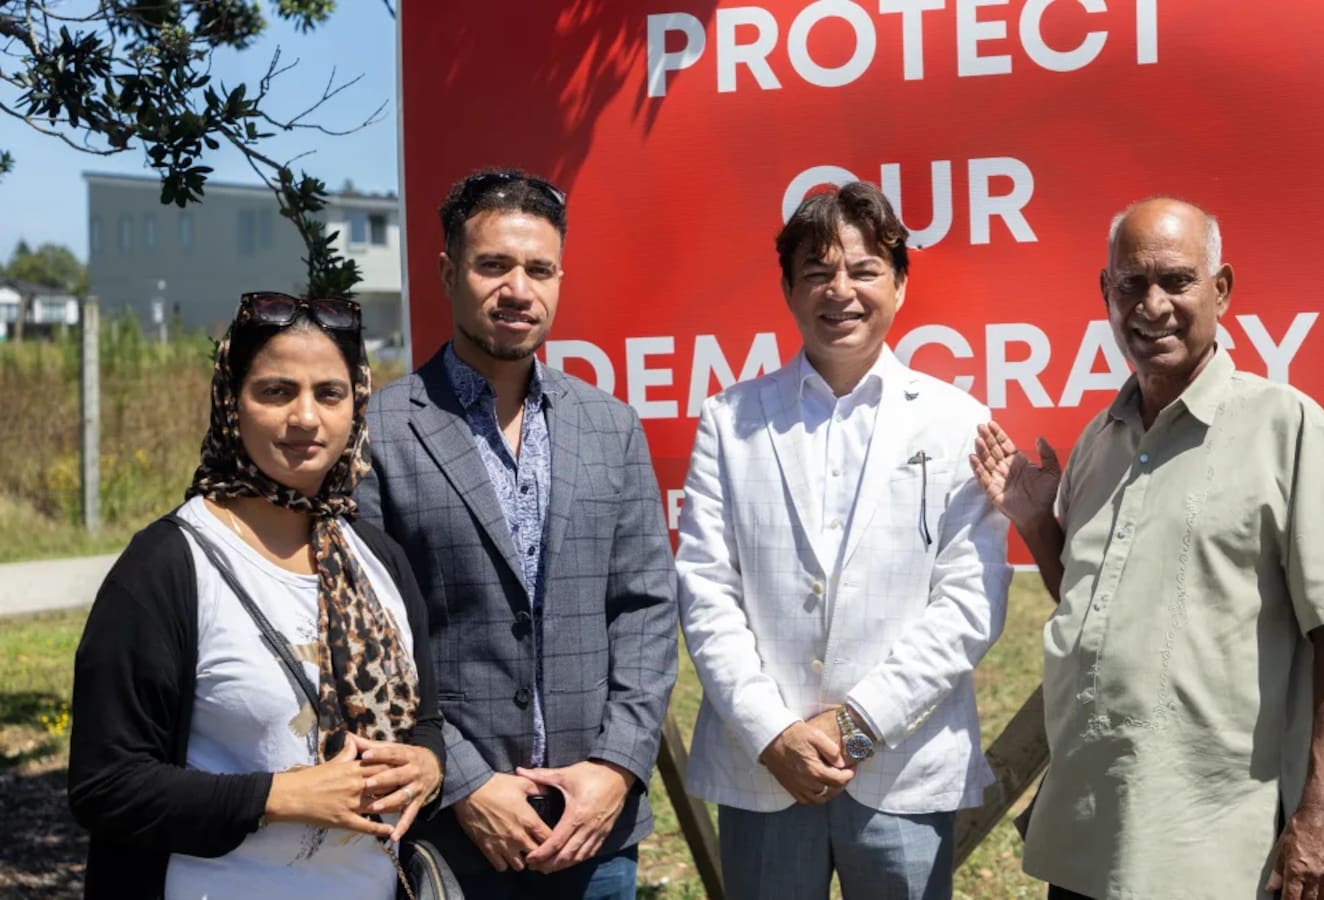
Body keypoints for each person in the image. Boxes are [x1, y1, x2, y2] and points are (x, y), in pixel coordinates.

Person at [970, 197, 1324, 900]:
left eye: (1177, 281)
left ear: (1221, 290)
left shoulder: (1287, 426)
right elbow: (1096, 604)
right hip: (1090, 833)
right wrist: (1040, 528)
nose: (1151, 304)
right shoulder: (1100, 438)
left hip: (1211, 846)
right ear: (1106, 293)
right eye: (1131, 284)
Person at [675, 180, 1012, 899]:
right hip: (764, 770)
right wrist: (774, 733)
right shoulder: (731, 420)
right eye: (818, 273)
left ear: (900, 282)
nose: (841, 292)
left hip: (901, 765)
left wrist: (857, 726)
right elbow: (705, 590)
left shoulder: (956, 422)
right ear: (790, 290)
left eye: (863, 271)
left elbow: (970, 602)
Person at [357, 169, 678, 899]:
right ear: (448, 272)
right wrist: (464, 782)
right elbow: (374, 637)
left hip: (593, 831)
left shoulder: (610, 426)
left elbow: (646, 609)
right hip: (453, 835)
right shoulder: (378, 431)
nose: (517, 289)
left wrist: (616, 769)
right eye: (492, 265)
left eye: (539, 269)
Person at [69, 292, 445, 899]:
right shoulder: (167, 566)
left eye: (330, 393)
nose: (306, 418)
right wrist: (278, 796)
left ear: (357, 404)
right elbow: (106, 785)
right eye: (275, 392)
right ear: (230, 402)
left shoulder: (379, 558)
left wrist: (428, 764)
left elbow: (425, 721)